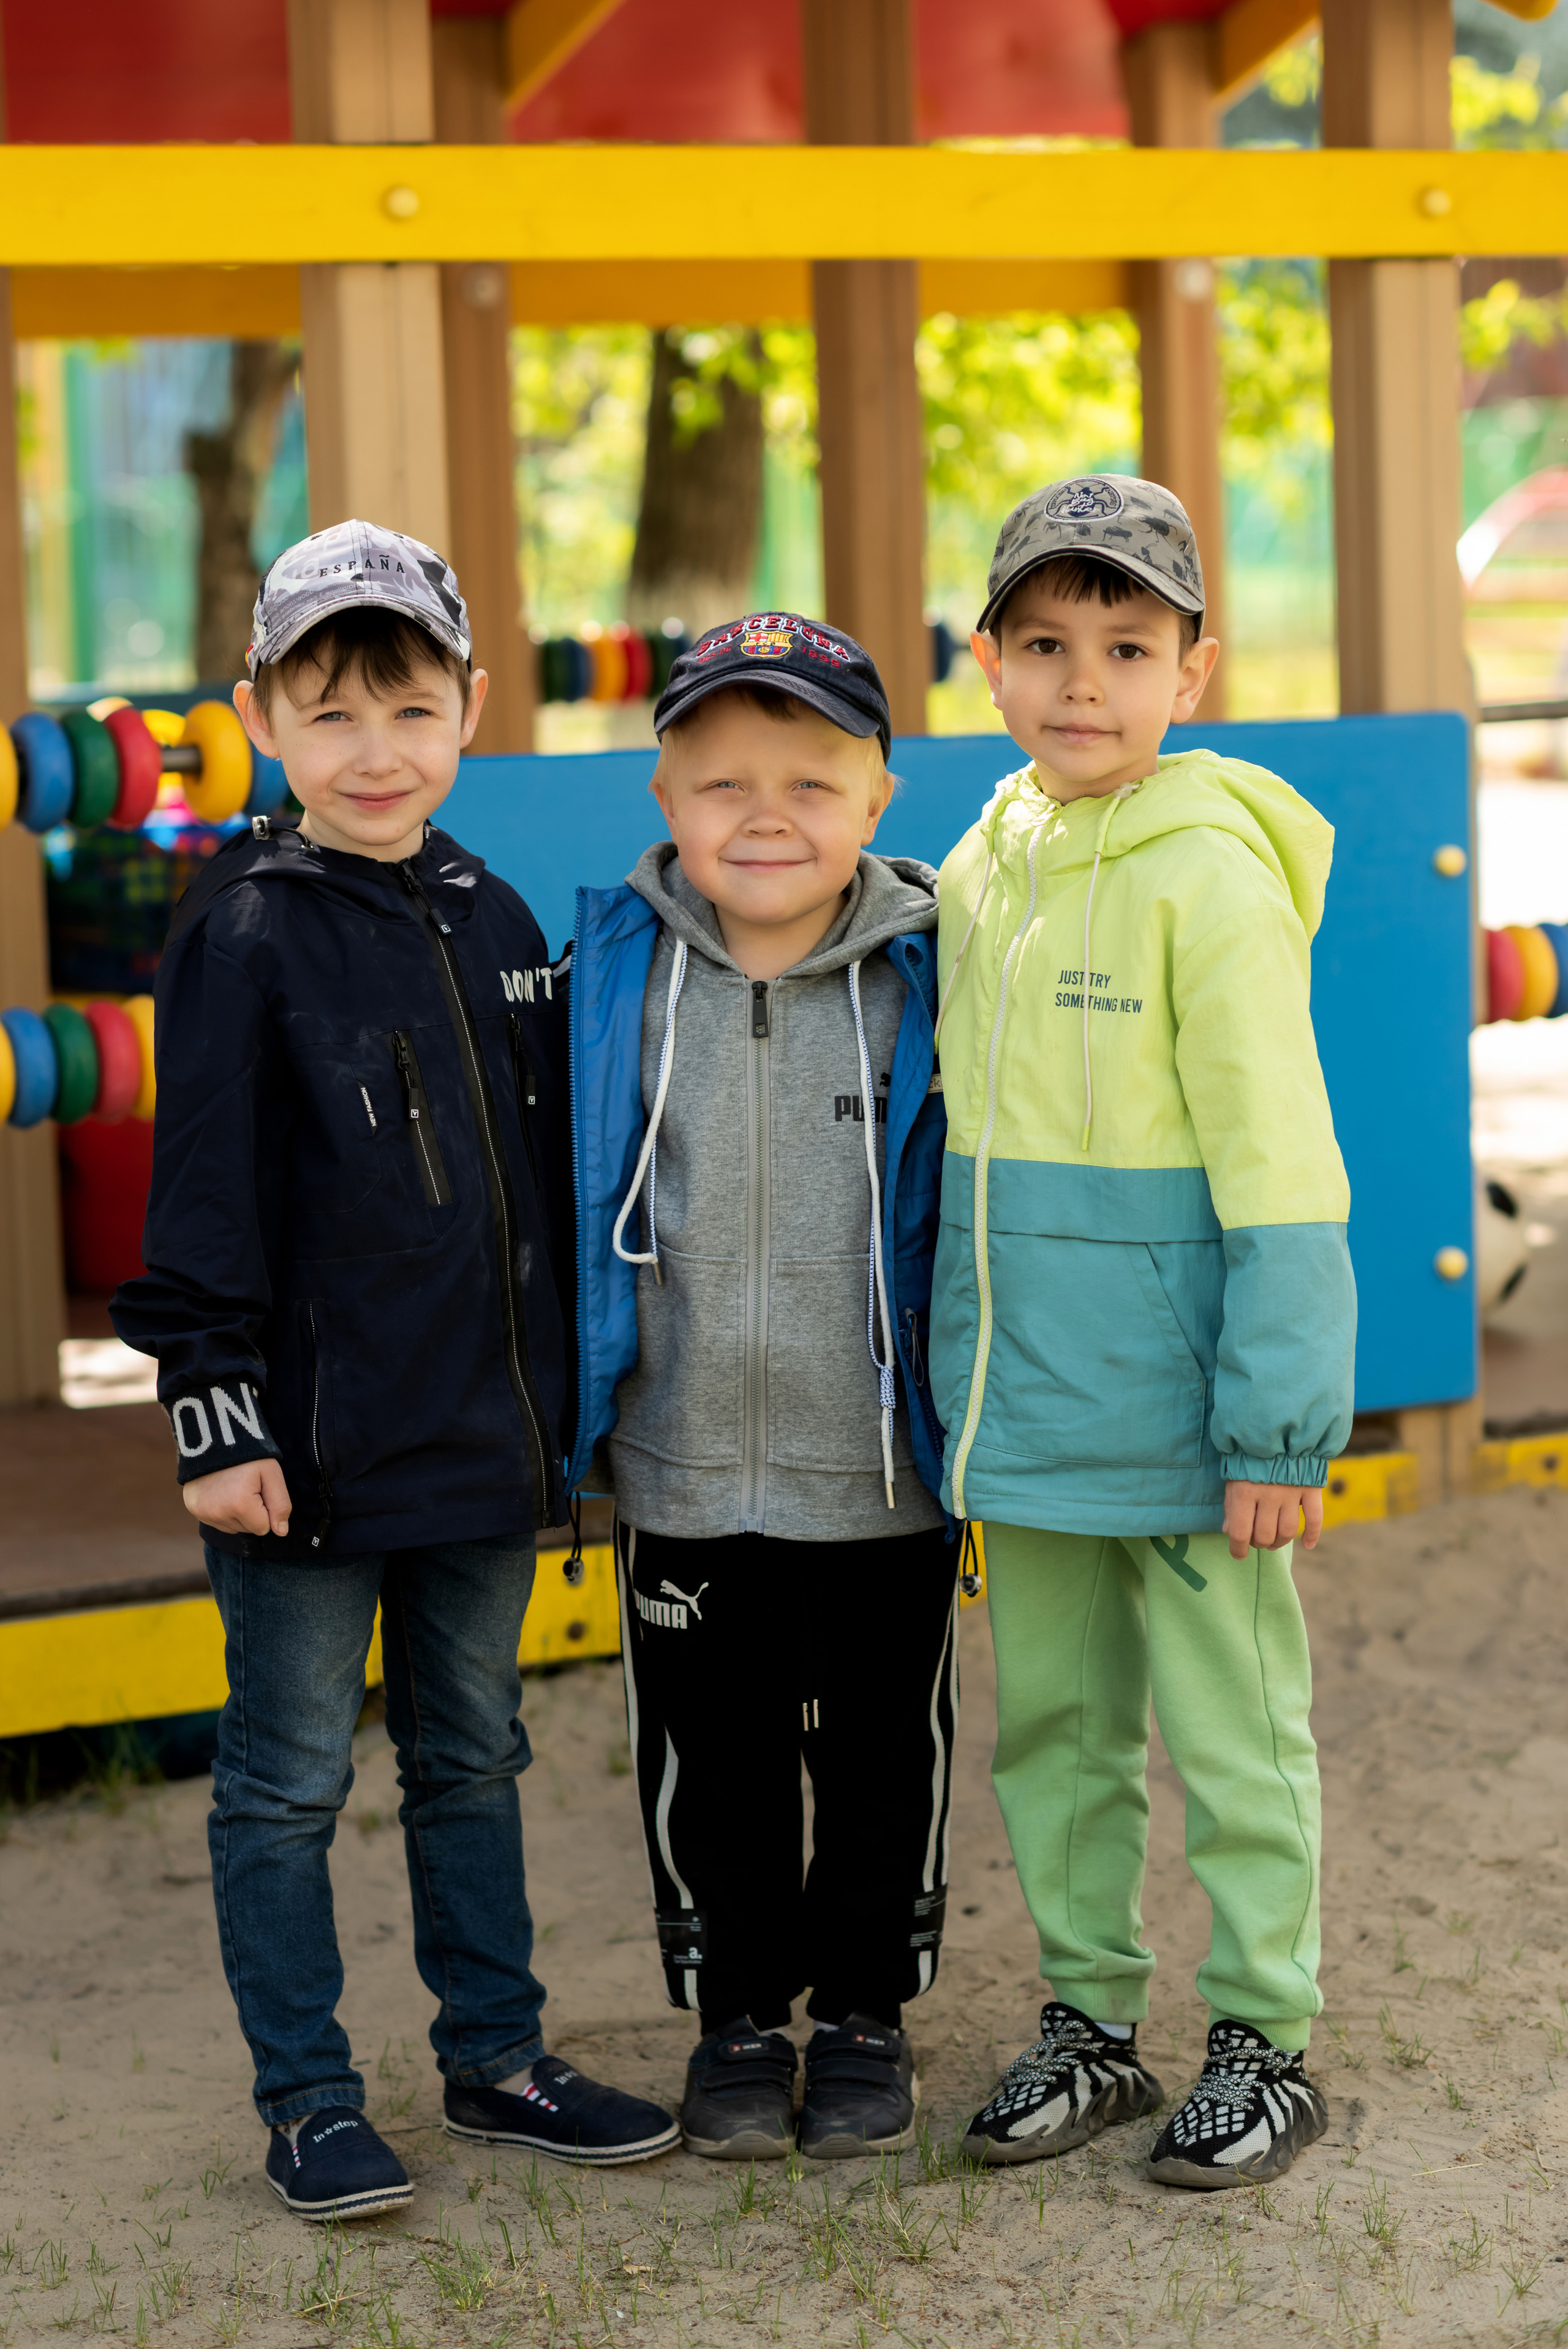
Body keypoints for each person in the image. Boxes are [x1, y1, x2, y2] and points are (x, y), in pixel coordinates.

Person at [112, 520, 678, 2222]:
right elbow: (200, 1192)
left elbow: (554, 1180)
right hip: (306, 1454)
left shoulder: (489, 909)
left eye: (412, 708)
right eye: (332, 711)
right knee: (288, 1779)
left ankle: (496, 2057)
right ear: (261, 718)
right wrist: (215, 1412)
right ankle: (307, 2100)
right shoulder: (243, 929)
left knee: (472, 1755)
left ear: (471, 708)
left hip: (480, 1444)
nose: (377, 750)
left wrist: (576, 1399)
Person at [930, 477, 1354, 2189]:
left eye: (1124, 647)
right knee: (1055, 1731)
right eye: (1043, 644)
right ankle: (1089, 2020)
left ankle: (1265, 2033)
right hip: (1031, 1406)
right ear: (988, 663)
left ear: (1194, 671)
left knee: (1236, 1732)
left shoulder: (1212, 878)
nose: (1081, 682)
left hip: (1193, 1424)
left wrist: (1277, 1426)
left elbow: (1283, 1166)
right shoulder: (978, 865)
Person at [565, 614, 954, 2160]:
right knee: (711, 1763)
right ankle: (733, 2017)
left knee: (876, 1756)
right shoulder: (613, 978)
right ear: (665, 795)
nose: (766, 814)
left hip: (877, 1468)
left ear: (876, 798)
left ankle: (861, 2012)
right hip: (679, 1456)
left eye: (809, 779)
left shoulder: (933, 974)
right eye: (723, 781)